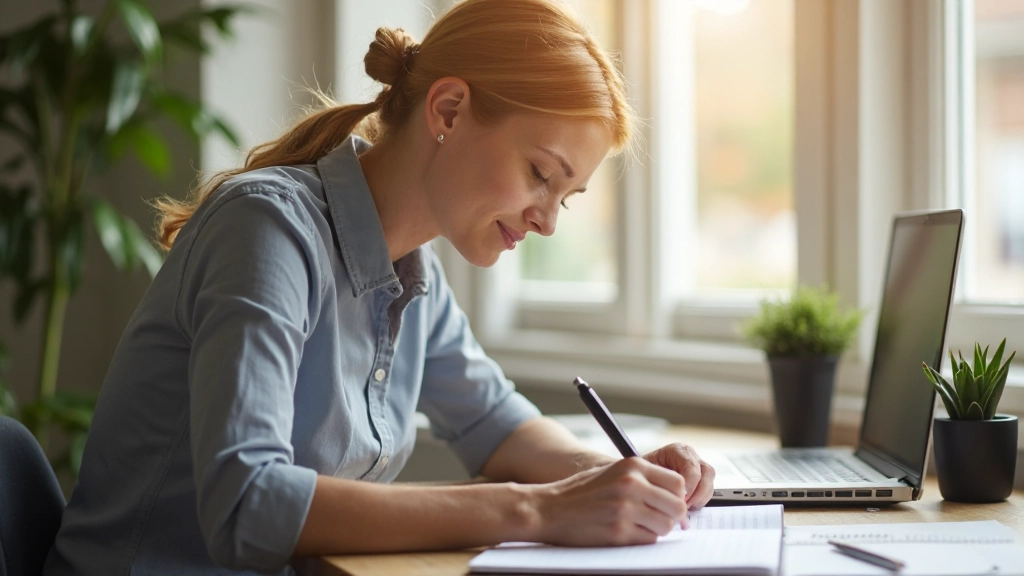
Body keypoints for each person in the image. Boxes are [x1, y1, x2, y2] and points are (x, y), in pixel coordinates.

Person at [44, 0, 715, 574]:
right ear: (448, 111)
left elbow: (497, 427)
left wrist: (620, 475)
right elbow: (246, 503)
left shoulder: (414, 266)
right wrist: (538, 509)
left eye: (565, 198)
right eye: (541, 173)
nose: (545, 220)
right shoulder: (266, 230)